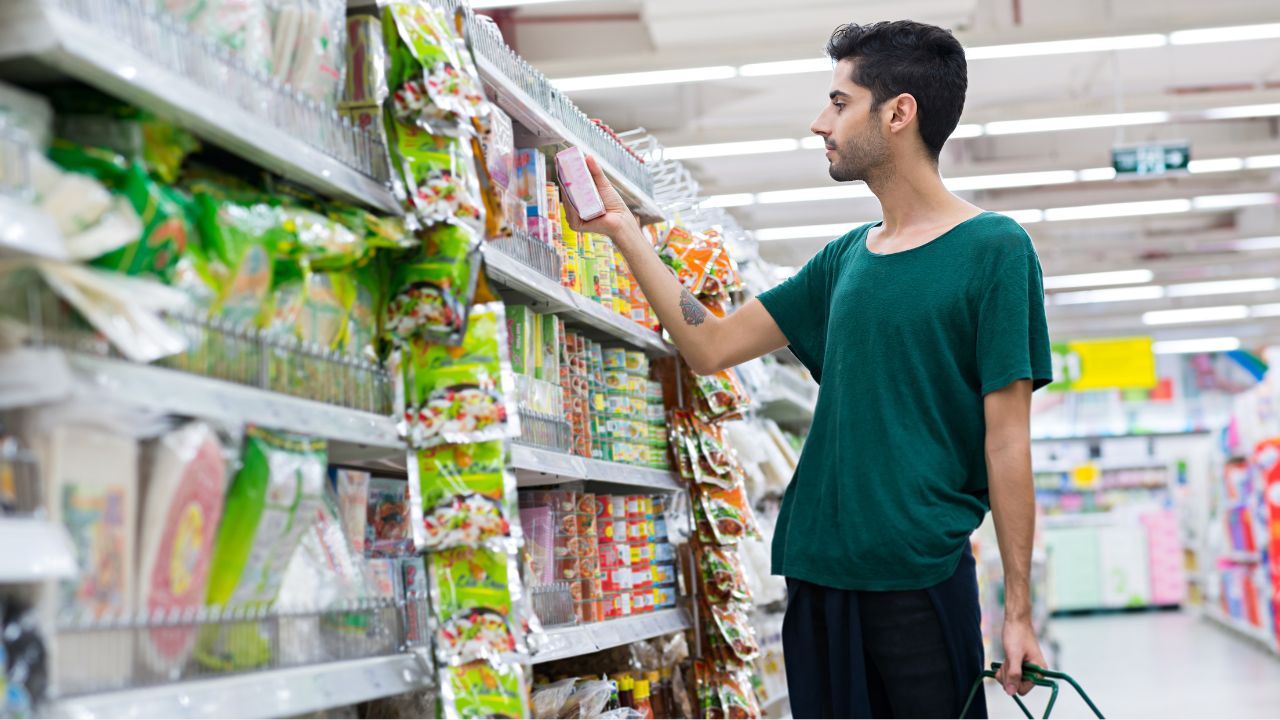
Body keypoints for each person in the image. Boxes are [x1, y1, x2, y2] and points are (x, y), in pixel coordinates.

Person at [564, 19, 1053, 719]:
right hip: (817, 573)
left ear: (898, 113)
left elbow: (1007, 440)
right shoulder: (845, 258)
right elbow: (711, 346)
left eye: (839, 101)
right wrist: (624, 232)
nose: (820, 122)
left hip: (917, 571)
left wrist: (1018, 610)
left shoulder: (994, 250)